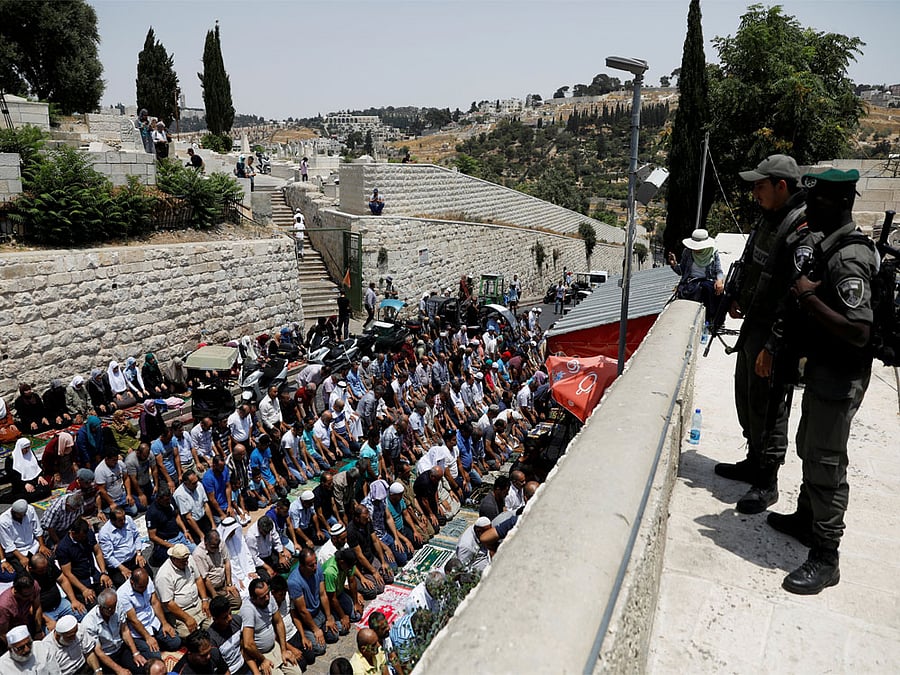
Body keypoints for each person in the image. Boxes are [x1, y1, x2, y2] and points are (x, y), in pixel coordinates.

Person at [768, 169, 877, 595]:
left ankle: (826, 556)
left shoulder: (849, 258)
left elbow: (859, 329)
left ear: (837, 203)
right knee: (808, 446)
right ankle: (805, 520)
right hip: (823, 370)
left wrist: (808, 296)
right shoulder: (830, 247)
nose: (808, 209)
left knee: (827, 462)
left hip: (840, 374)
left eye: (815, 203)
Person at [716, 155, 811, 514]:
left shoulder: (800, 227)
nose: (754, 192)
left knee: (770, 406)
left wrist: (773, 345)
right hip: (754, 323)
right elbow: (756, 265)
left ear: (781, 185)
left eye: (760, 185)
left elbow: (794, 294)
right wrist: (738, 294)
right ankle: (753, 460)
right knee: (747, 396)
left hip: (776, 333)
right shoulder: (770, 218)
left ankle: (767, 481)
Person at [116, 567, 182, 660]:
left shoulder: (146, 581)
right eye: (141, 587)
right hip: (139, 632)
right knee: (156, 657)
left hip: (153, 622)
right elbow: (134, 620)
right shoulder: (122, 594)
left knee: (176, 642)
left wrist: (164, 623)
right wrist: (147, 637)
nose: (144, 589)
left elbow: (155, 602)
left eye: (146, 586)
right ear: (132, 583)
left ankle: (158, 641)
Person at [240, 579, 303, 675]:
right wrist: (262, 660)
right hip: (261, 654)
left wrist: (284, 650)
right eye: (262, 597)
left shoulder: (269, 599)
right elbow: (248, 644)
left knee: (297, 672)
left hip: (275, 646)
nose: (267, 598)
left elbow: (279, 623)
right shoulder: (248, 610)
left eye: (267, 593)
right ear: (253, 598)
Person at [81, 588, 143, 675]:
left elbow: (125, 631)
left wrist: (135, 653)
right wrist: (119, 670)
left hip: (120, 648)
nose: (113, 610)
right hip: (106, 656)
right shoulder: (89, 623)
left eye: (114, 606)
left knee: (141, 669)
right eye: (110, 608)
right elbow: (98, 651)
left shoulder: (118, 607)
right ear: (101, 607)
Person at [668, 228, 725, 320]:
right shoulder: (687, 252)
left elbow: (719, 270)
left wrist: (719, 280)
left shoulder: (713, 253)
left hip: (707, 282)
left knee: (715, 293)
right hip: (690, 282)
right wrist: (674, 264)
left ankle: (713, 320)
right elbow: (681, 271)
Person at [155, 543, 211, 638]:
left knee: (213, 624)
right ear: (174, 559)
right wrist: (187, 618)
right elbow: (168, 603)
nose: (186, 563)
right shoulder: (164, 575)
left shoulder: (189, 560)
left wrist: (205, 600)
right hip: (180, 612)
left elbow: (198, 579)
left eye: (186, 560)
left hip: (197, 603)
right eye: (183, 561)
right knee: (191, 636)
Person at [55, 518, 114, 609]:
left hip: (94, 575)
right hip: (80, 582)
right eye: (81, 537)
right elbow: (67, 573)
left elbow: (97, 552)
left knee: (111, 596)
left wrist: (103, 572)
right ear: (73, 533)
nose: (84, 539)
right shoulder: (63, 548)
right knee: (95, 607)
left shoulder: (88, 534)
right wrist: (84, 589)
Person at [193, 529, 242, 613]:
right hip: (211, 589)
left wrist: (229, 584)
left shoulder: (220, 544)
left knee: (237, 602)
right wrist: (214, 595)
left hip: (223, 585)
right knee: (216, 609)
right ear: (206, 543)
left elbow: (227, 562)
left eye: (217, 546)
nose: (215, 549)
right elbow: (206, 578)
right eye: (213, 547)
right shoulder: (198, 554)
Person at [0, 499, 52, 577]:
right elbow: (8, 544)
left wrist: (42, 545)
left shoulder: (30, 510)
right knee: (24, 574)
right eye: (20, 515)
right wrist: (21, 558)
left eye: (24, 514)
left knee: (48, 562)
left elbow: (37, 529)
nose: (23, 516)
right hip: (18, 551)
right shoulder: (3, 521)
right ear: (14, 512)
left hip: (33, 545)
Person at [97, 507, 147, 588]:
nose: (124, 522)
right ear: (113, 520)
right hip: (119, 564)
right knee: (127, 585)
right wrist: (122, 568)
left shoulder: (128, 519)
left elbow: (136, 535)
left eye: (124, 518)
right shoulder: (104, 533)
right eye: (120, 520)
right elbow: (108, 556)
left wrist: (139, 553)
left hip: (134, 557)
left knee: (147, 575)